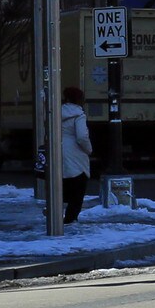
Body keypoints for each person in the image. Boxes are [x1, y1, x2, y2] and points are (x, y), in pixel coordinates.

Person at [59, 85, 93, 223]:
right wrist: (89, 149)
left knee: (62, 187)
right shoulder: (79, 115)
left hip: (59, 151)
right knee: (77, 192)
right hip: (75, 155)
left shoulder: (56, 112)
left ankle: (57, 214)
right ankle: (70, 219)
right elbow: (82, 137)